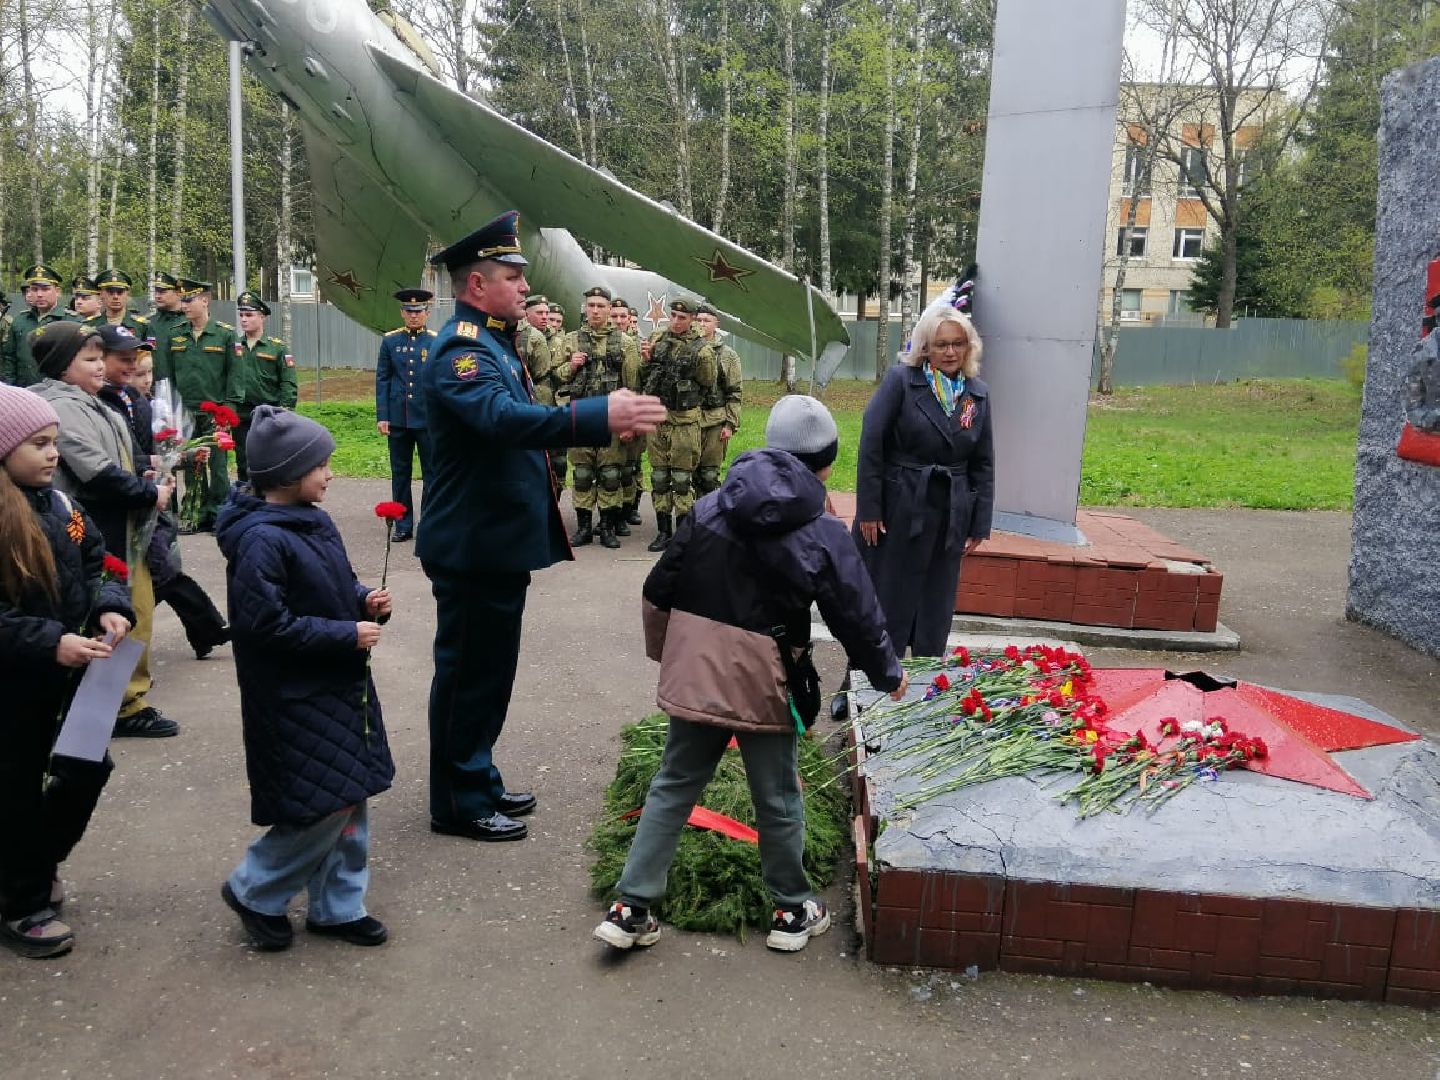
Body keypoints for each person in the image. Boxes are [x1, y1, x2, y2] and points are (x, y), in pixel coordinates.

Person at [594, 395, 907, 954]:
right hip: (768, 679)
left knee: (672, 786)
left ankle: (630, 907)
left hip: (697, 673)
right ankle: (790, 911)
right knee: (779, 796)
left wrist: (670, 656)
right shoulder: (824, 530)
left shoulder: (710, 507)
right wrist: (887, 674)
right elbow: (856, 615)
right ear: (826, 462)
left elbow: (657, 593)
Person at [418, 210, 666, 842]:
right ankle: (456, 799)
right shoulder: (460, 353)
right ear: (477, 286)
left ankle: (477, 775)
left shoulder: (494, 342)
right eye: (512, 276)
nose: (525, 287)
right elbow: (502, 422)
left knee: (490, 671)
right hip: (473, 546)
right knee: (470, 674)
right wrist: (594, 415)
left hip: (493, 544)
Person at [216, 405, 395, 951]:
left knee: (348, 792)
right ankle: (254, 889)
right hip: (292, 693)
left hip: (333, 686)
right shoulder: (261, 540)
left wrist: (363, 598)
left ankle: (338, 905)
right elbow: (264, 624)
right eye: (322, 465)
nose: (331, 474)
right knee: (323, 803)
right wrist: (346, 634)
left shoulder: (309, 519)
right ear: (290, 474)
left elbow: (330, 582)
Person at [0, 384, 135, 958]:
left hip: (77, 677)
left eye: (54, 442)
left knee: (85, 768)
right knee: (15, 791)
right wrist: (51, 641)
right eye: (38, 444)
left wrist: (111, 604)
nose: (53, 455)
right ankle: (24, 903)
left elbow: (99, 560)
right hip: (15, 687)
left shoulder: (62, 508)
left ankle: (34, 864)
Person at [32, 322, 179, 738]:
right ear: (62, 367)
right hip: (97, 528)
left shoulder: (96, 403)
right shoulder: (61, 406)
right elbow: (96, 475)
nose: (102, 368)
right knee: (111, 618)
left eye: (101, 358)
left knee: (135, 612)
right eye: (91, 360)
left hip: (122, 528)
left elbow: (121, 461)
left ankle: (121, 702)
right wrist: (148, 493)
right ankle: (116, 709)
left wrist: (151, 469)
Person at [853, 306, 994, 658]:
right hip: (899, 505)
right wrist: (869, 509)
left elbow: (983, 461)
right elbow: (872, 442)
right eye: (941, 344)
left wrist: (979, 523)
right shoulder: (901, 381)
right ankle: (862, 678)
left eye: (957, 344)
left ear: (969, 347)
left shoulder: (976, 393)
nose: (950, 352)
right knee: (885, 596)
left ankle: (924, 684)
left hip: (949, 512)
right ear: (925, 349)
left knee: (935, 602)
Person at [104, 331, 230, 660]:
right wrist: (154, 463)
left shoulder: (145, 405)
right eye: (134, 370)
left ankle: (206, 632)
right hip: (136, 501)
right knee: (163, 573)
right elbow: (122, 456)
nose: (142, 379)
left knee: (159, 574)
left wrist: (186, 456)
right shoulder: (111, 403)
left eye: (147, 372)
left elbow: (157, 451)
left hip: (155, 501)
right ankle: (208, 630)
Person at [556, 285, 643, 549]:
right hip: (581, 418)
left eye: (600, 306)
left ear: (609, 310)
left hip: (612, 420)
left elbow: (633, 386)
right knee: (582, 474)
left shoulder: (625, 343)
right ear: (585, 308)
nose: (595, 310)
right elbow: (557, 376)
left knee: (610, 475)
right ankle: (583, 528)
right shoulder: (570, 340)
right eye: (591, 305)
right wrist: (571, 365)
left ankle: (607, 527)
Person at [160, 279, 242, 531]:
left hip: (215, 412)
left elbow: (236, 376)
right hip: (185, 411)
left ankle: (218, 512)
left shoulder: (226, 334)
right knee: (191, 464)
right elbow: (167, 376)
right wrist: (169, 409)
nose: (184, 305)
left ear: (204, 301)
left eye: (189, 300)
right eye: (182, 300)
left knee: (217, 467)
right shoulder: (175, 334)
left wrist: (228, 410)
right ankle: (195, 513)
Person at [640, 297, 719, 551]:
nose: (675, 321)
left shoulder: (703, 350)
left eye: (681, 317)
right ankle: (663, 531)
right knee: (660, 477)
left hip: (685, 421)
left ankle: (683, 535)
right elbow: (645, 375)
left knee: (683, 479)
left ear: (692, 319)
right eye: (672, 315)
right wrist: (646, 360)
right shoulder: (657, 339)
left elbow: (707, 383)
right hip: (658, 418)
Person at [375, 289, 436, 543]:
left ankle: (430, 523)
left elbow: (439, 381)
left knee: (432, 473)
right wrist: (383, 415)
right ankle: (403, 524)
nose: (414, 316)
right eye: (409, 312)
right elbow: (383, 378)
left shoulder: (435, 341)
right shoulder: (390, 341)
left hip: (427, 419)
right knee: (400, 473)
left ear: (427, 313)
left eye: (418, 311)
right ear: (402, 313)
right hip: (399, 418)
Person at [233, 292, 298, 482]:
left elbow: (288, 382)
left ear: (262, 317)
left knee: (269, 460)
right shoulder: (234, 346)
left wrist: (285, 411)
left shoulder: (277, 348)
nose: (244, 320)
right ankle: (246, 501)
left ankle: (268, 503)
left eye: (249, 315)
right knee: (243, 461)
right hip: (242, 414)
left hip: (268, 414)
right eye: (242, 315)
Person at [694, 302, 743, 497]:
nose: (702, 324)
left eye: (706, 320)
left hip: (715, 421)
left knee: (708, 475)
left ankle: (708, 516)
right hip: (688, 420)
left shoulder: (728, 355)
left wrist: (730, 424)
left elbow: (735, 392)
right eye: (698, 320)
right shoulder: (686, 350)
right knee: (685, 475)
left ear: (716, 323)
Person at [518, 294, 567, 490]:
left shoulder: (560, 340)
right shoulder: (520, 336)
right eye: (540, 313)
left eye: (547, 313)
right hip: (527, 403)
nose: (545, 317)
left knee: (558, 462)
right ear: (527, 314)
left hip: (555, 405)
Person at [2, 264, 67, 387]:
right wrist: (9, 388)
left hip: (58, 395)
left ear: (58, 292)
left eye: (45, 289)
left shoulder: (71, 321)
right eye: (35, 289)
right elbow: (10, 358)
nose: (39, 294)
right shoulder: (20, 321)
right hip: (23, 392)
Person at [82, 270, 151, 345]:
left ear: (127, 294)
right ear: (101, 294)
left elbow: (151, 352)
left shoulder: (143, 326)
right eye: (110, 292)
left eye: (120, 292)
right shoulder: (89, 325)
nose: (115, 296)